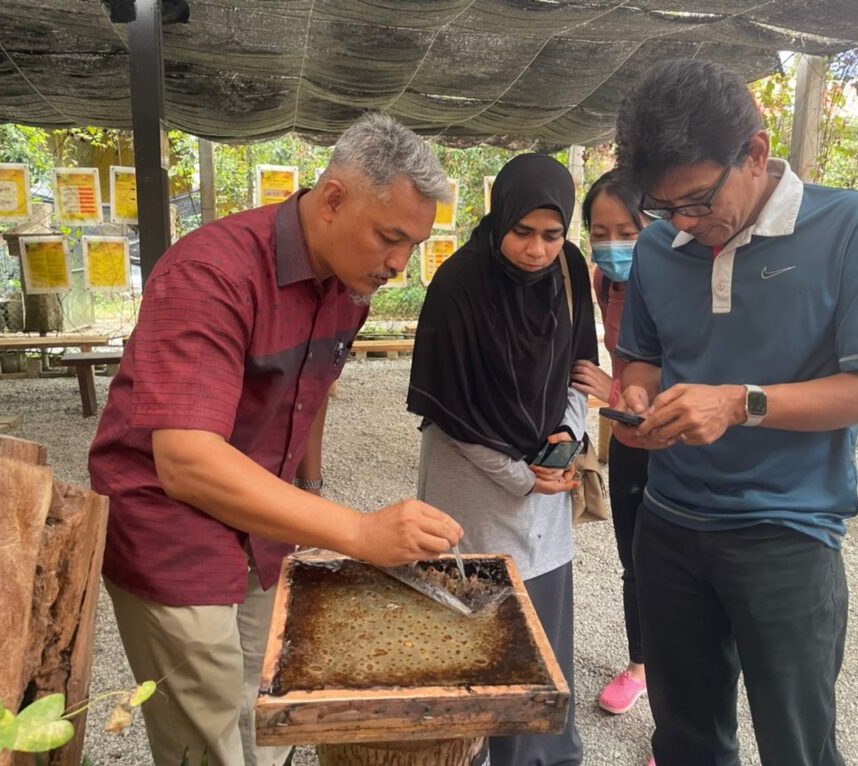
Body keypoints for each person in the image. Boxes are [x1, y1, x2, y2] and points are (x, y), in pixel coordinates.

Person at [88, 113, 463, 766]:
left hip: (260, 520)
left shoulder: (349, 285)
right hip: (168, 530)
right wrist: (355, 531)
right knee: (207, 737)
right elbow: (186, 462)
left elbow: (308, 394)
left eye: (414, 245)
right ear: (334, 198)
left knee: (266, 713)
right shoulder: (211, 273)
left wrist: (310, 493)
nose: (400, 264)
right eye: (390, 237)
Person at [611, 59, 858, 766]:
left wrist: (740, 403)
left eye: (697, 200)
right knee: (686, 738)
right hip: (670, 525)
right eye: (666, 208)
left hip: (787, 532)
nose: (685, 223)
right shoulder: (659, 246)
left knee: (797, 746)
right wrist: (636, 397)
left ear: (755, 150)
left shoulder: (854, 226)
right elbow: (644, 357)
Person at [407, 153, 597, 766]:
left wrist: (566, 437)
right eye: (522, 232)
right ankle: (470, 750)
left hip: (546, 486)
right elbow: (451, 408)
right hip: (476, 490)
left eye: (552, 234)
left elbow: (580, 369)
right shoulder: (459, 284)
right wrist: (522, 474)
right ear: (498, 220)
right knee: (478, 626)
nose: (538, 250)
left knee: (539, 625)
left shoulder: (568, 271)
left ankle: (540, 753)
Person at [569, 170, 650, 715]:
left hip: (678, 446)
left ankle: (679, 719)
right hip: (628, 438)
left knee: (678, 572)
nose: (613, 244)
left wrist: (615, 391)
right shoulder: (604, 281)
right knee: (633, 561)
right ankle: (641, 666)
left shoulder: (680, 282)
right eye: (600, 231)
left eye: (628, 230)